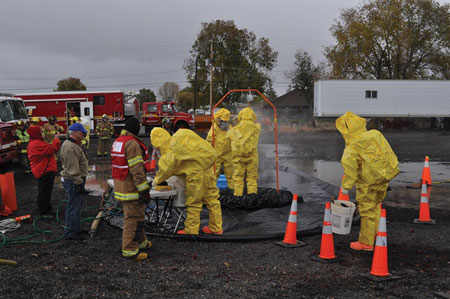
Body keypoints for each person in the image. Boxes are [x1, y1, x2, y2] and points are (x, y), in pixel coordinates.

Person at [336, 112, 399, 251]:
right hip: (383, 178)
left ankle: (366, 243)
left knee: (366, 211)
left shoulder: (352, 147)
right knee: (376, 206)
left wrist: (345, 188)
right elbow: (387, 152)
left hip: (368, 182)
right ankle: (376, 234)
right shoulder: (375, 134)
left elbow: (350, 171)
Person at [151, 127, 223, 235]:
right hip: (208, 169)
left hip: (196, 175)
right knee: (212, 200)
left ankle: (191, 230)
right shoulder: (181, 136)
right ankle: (216, 227)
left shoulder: (171, 150)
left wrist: (156, 181)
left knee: (194, 202)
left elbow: (166, 170)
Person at [111, 117, 152, 260]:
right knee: (132, 218)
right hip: (131, 188)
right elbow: (137, 171)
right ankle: (129, 249)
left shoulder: (119, 141)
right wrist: (144, 191)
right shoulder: (132, 144)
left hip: (120, 186)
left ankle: (141, 241)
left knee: (138, 215)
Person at [60, 123, 89, 241]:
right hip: (73, 181)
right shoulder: (69, 147)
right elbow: (72, 168)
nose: (83, 135)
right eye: (82, 133)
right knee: (74, 207)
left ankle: (76, 228)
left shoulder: (73, 145)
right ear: (75, 132)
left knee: (76, 206)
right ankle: (71, 232)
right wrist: (78, 182)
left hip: (76, 180)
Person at [27, 125, 61, 216]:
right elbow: (52, 149)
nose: (42, 133)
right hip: (44, 171)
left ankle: (47, 209)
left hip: (43, 170)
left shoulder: (35, 142)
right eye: (41, 132)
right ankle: (44, 211)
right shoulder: (37, 144)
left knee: (45, 191)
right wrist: (56, 139)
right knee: (44, 192)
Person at [227, 107, 261, 197]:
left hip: (237, 157)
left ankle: (238, 196)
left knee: (238, 177)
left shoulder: (234, 130)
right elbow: (256, 124)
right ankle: (252, 196)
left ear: (240, 116)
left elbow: (227, 137)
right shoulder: (257, 128)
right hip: (252, 156)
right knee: (252, 177)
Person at [206, 108, 233, 189]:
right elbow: (209, 141)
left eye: (226, 121)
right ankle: (211, 193)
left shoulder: (229, 127)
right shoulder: (214, 129)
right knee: (214, 174)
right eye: (223, 121)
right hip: (216, 154)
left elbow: (234, 138)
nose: (225, 123)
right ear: (218, 119)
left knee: (231, 174)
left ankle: (234, 192)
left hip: (228, 154)